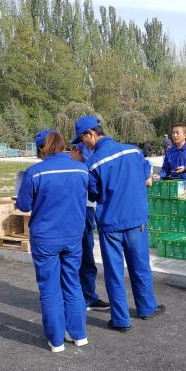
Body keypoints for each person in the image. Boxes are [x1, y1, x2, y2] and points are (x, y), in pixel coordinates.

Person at [72, 116, 164, 333]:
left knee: (114, 273)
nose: (82, 144)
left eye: (81, 139)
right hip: (136, 221)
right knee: (140, 266)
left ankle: (121, 320)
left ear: (90, 134)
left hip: (111, 224)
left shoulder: (93, 164)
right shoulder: (133, 150)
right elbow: (146, 171)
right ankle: (147, 308)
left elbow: (93, 194)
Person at [16, 130, 89, 352]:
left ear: (42, 149)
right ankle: (79, 334)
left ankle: (56, 340)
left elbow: (24, 205)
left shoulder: (34, 172)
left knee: (49, 288)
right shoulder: (81, 169)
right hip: (73, 235)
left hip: (46, 237)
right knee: (73, 283)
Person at [69, 143, 110, 311]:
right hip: (75, 212)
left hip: (87, 210)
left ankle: (88, 297)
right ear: (75, 151)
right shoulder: (68, 167)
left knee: (86, 255)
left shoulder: (87, 164)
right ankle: (75, 299)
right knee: (74, 257)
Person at [152, 123, 186, 196]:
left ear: (185, 135)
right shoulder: (170, 151)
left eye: (177, 133)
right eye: (173, 133)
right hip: (174, 186)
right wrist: (159, 175)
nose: (175, 135)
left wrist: (185, 168)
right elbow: (165, 169)